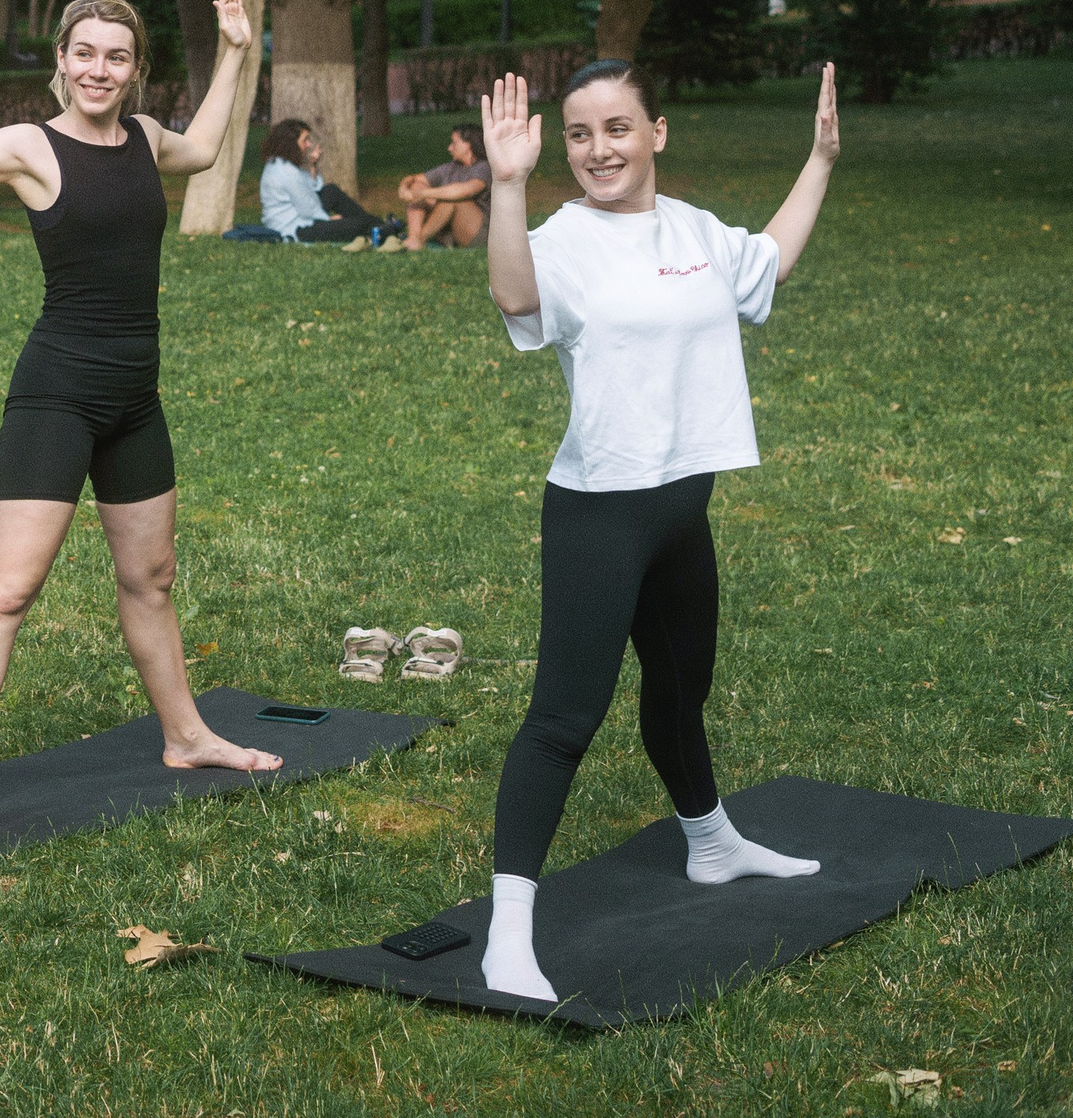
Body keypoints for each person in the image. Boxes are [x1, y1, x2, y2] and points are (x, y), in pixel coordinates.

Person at [0, 0, 283, 837]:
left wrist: (239, 53)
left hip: (136, 396)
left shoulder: (142, 137)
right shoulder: (29, 146)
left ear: (135, 69)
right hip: (57, 393)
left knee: (151, 577)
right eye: (86, 54)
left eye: (119, 57)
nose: (101, 69)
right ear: (61, 60)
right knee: (9, 589)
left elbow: (204, 147)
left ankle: (186, 736)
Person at [475, 59, 840, 1002]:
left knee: (681, 692)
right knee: (563, 718)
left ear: (657, 132)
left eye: (618, 128)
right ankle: (507, 932)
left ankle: (712, 844)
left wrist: (822, 158)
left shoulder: (694, 230)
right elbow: (516, 298)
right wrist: (506, 186)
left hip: (686, 504)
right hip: (601, 510)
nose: (600, 149)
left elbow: (767, 261)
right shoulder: (559, 239)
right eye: (581, 135)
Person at [225, 119, 389, 248]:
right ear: (291, 142)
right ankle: (381, 228)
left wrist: (313, 165)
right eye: (305, 140)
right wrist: (329, 220)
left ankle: (378, 226)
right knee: (360, 224)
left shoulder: (280, 163)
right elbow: (308, 208)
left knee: (330, 191)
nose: (309, 144)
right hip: (296, 229)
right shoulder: (287, 172)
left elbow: (311, 188)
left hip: (297, 218)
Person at [395, 122, 490, 250]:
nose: (449, 148)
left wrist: (424, 194)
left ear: (468, 145)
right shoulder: (450, 168)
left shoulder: (484, 167)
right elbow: (414, 179)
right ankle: (413, 238)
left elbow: (466, 191)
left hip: (482, 233)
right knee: (418, 186)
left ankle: (419, 239)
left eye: (454, 143)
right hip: (453, 230)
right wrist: (404, 186)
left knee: (452, 200)